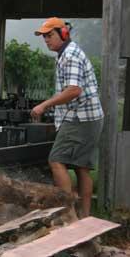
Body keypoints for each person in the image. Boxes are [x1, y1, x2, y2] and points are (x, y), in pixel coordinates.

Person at [31, 17, 104, 218]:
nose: (46, 40)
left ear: (63, 34)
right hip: (88, 117)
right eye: (44, 36)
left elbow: (73, 91)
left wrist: (44, 105)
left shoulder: (70, 55)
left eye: (50, 35)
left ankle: (69, 215)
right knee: (82, 168)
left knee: (56, 160)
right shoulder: (64, 54)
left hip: (81, 117)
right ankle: (85, 217)